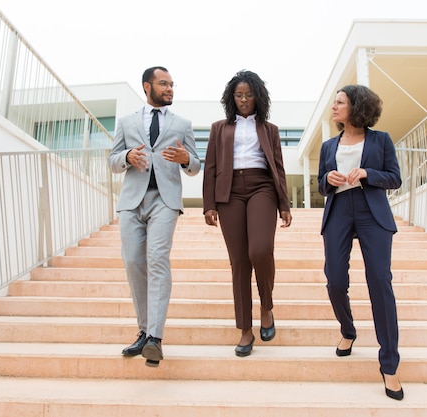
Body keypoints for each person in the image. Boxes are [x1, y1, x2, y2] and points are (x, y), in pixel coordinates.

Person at [108, 66, 201, 367]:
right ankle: (144, 330)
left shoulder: (182, 124)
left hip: (165, 200)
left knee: (157, 259)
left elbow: (196, 164)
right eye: (164, 84)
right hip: (131, 201)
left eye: (172, 84)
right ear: (147, 86)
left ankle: (155, 338)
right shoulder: (126, 122)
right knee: (134, 262)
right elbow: (112, 160)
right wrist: (126, 158)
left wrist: (187, 159)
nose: (170, 89)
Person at [317, 84, 404, 400]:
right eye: (334, 102)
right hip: (339, 210)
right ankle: (348, 330)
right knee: (335, 279)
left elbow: (394, 178)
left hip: (372, 212)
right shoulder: (329, 146)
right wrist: (328, 179)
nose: (334, 107)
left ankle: (390, 365)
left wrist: (367, 172)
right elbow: (320, 184)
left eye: (340, 102)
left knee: (380, 282)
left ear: (357, 106)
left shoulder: (381, 140)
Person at [203, 70, 292, 357]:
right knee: (239, 262)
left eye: (248, 95)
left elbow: (278, 168)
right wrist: (209, 204)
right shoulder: (219, 128)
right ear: (232, 98)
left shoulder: (269, 129)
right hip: (228, 193)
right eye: (239, 95)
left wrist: (285, 204)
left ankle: (266, 305)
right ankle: (245, 329)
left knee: (260, 250)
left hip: (261, 188)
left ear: (258, 97)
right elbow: (211, 168)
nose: (243, 100)